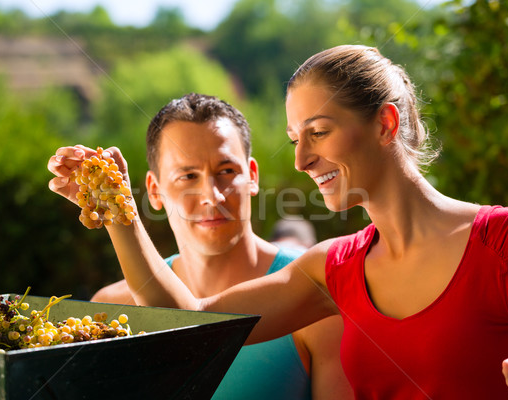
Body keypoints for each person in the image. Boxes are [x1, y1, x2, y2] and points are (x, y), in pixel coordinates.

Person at [48, 46, 508, 399]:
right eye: (295, 137)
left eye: (318, 133)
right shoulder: (332, 269)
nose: (300, 159)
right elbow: (189, 321)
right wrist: (118, 211)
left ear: (385, 124)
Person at [50, 93, 353, 399]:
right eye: (188, 176)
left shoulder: (317, 300)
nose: (213, 196)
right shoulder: (114, 309)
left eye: (226, 171)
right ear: (154, 191)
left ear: (252, 176)